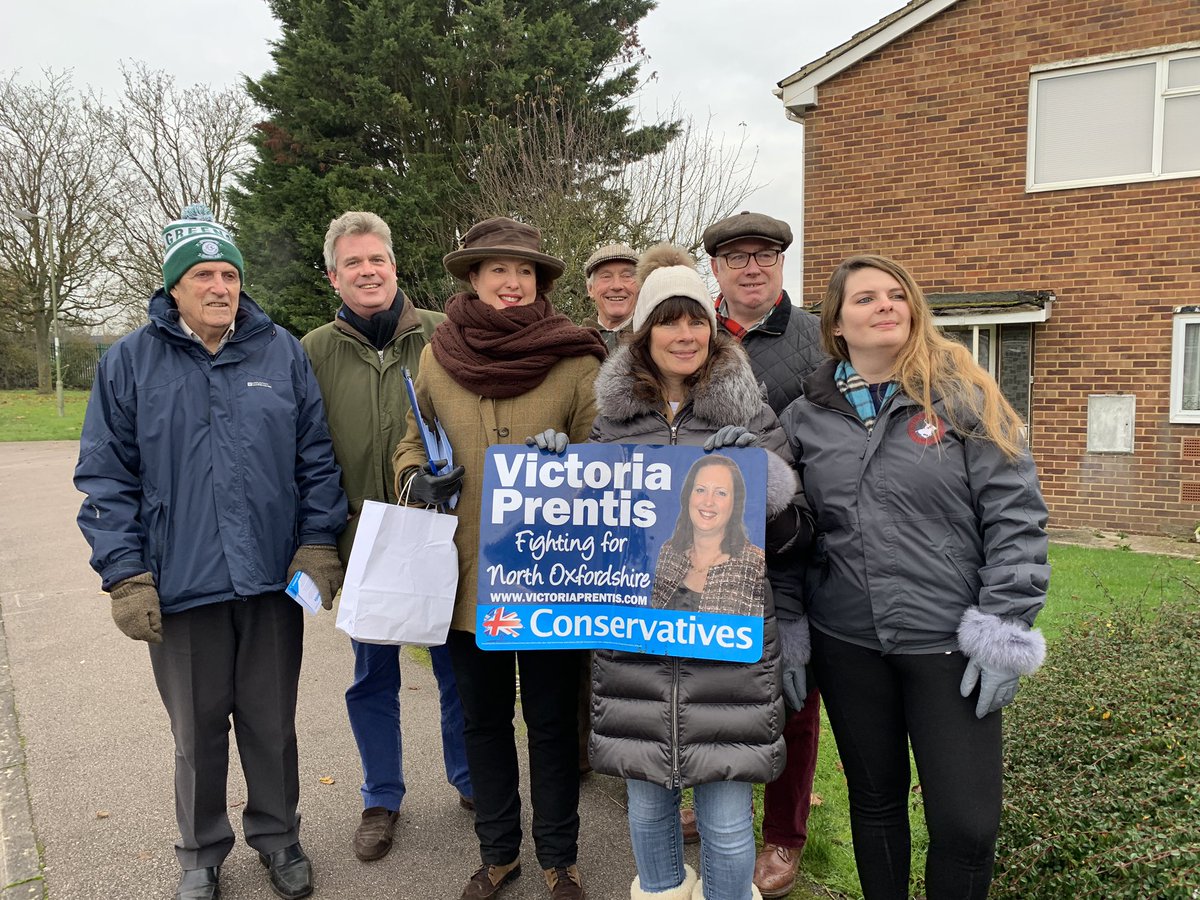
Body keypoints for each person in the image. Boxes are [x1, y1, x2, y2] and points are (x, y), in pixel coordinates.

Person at [74, 204, 347, 900]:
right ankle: (200, 852)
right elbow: (105, 477)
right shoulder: (129, 363)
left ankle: (279, 838)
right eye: (203, 276)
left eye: (229, 274)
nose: (219, 287)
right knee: (196, 733)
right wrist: (125, 575)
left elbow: (315, 459)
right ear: (175, 287)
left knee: (271, 725)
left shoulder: (280, 353)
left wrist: (318, 543)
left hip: (270, 582)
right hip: (180, 583)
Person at [780, 254, 1049, 900]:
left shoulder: (964, 398)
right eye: (866, 298)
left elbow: (1016, 517)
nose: (886, 305)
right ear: (836, 324)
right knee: (875, 805)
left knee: (967, 825)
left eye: (897, 295)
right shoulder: (803, 417)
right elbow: (786, 538)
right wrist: (787, 623)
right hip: (847, 642)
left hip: (948, 643)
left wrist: (1005, 624)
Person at [586, 244, 813, 900]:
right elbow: (588, 537)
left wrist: (764, 476)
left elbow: (797, 536)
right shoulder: (611, 425)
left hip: (726, 652)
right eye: (668, 321)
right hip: (635, 652)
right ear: (643, 334)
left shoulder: (752, 416)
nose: (684, 334)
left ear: (712, 332)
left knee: (726, 820)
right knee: (648, 809)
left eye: (695, 320)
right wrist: (555, 472)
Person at [392, 217, 606, 900]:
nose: (512, 283)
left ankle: (560, 858)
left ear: (540, 282)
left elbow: (608, 458)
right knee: (482, 721)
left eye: (524, 271)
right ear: (474, 279)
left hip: (550, 576)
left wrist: (573, 461)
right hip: (465, 577)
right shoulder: (438, 356)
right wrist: (416, 478)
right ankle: (498, 853)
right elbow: (412, 440)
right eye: (497, 270)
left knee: (551, 724)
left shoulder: (576, 360)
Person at [300, 211, 473, 864]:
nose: (367, 271)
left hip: (440, 536)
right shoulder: (313, 352)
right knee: (372, 678)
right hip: (363, 544)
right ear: (333, 276)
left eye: (377, 259)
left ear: (394, 266)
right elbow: (304, 451)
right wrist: (319, 540)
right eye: (353, 263)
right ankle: (381, 797)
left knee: (458, 672)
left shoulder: (443, 333)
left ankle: (471, 779)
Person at [703, 210, 826, 896]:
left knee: (793, 695)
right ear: (716, 268)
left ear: (781, 263)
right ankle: (719, 802)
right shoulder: (694, 331)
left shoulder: (815, 336)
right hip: (707, 537)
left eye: (764, 256)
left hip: (791, 535)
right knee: (713, 682)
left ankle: (783, 831)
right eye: (737, 257)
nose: (751, 268)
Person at [650, 455, 767, 616]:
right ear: (688, 496)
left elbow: (765, 628)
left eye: (721, 493)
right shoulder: (668, 552)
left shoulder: (755, 564)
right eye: (700, 490)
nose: (708, 501)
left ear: (735, 503)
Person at [582, 243, 640, 350]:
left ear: (640, 287)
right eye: (606, 276)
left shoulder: (653, 343)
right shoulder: (572, 343)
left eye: (626, 276)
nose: (616, 286)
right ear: (590, 289)